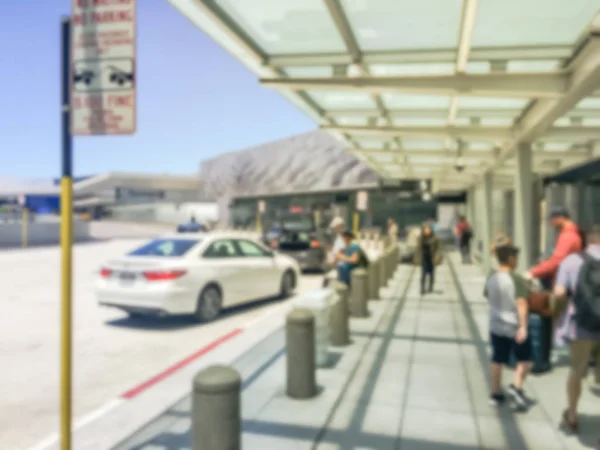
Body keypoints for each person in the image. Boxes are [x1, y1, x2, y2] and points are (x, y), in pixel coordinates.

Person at [552, 224, 600, 434]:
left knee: (576, 371)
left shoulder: (572, 261)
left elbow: (560, 293)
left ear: (587, 239)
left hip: (581, 326)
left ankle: (572, 415)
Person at [484, 244, 532, 411]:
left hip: (496, 323)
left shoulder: (491, 277)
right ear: (511, 259)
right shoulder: (516, 279)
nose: (517, 261)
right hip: (514, 325)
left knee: (497, 358)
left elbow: (487, 295)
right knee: (525, 359)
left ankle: (495, 394)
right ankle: (516, 388)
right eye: (516, 258)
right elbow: (522, 303)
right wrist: (524, 327)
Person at [526, 206, 584, 287]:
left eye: (552, 220)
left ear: (560, 218)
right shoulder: (573, 233)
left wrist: (533, 272)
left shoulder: (568, 236)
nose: (551, 224)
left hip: (564, 282)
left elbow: (557, 260)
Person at [413, 224, 441, 295]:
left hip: (431, 258)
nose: (427, 231)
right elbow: (418, 248)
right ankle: (422, 288)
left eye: (428, 229)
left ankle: (430, 287)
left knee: (431, 274)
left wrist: (437, 257)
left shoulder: (435, 238)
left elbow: (438, 248)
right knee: (423, 274)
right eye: (426, 229)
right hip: (424, 258)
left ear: (431, 230)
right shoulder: (421, 238)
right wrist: (416, 258)